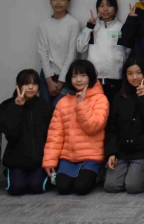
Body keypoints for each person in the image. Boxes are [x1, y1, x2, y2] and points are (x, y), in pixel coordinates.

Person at [42, 59, 109, 196]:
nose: (78, 80)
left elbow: (94, 126)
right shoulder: (62, 102)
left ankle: (99, 173)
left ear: (91, 77)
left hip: (91, 156)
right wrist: (50, 161)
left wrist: (82, 104)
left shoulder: (100, 99)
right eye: (74, 76)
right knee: (63, 188)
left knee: (81, 187)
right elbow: (55, 135)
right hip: (68, 157)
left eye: (83, 75)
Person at [103, 56, 144, 194]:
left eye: (138, 73)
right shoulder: (119, 97)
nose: (134, 77)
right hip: (122, 152)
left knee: (133, 186)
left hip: (143, 152)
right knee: (111, 186)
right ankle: (129, 172)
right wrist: (111, 153)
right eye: (130, 73)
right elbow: (112, 128)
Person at [0, 69, 52, 195]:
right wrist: (17, 108)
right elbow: (10, 132)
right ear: (18, 86)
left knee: (37, 187)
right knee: (16, 189)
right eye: (26, 84)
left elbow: (52, 137)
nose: (31, 87)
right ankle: (12, 173)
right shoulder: (7, 105)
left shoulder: (45, 107)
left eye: (34, 84)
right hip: (17, 161)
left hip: (39, 162)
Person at [76, 0, 126, 105]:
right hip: (94, 80)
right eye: (102, 6)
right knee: (95, 111)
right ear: (97, 8)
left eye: (109, 5)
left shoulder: (121, 27)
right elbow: (80, 48)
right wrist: (89, 28)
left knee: (113, 111)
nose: (105, 9)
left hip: (116, 80)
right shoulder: (91, 27)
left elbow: (128, 50)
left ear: (115, 8)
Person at [37, 0, 80, 106]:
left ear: (68, 2)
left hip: (66, 76)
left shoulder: (73, 23)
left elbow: (72, 54)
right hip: (47, 76)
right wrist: (49, 80)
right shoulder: (44, 25)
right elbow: (43, 53)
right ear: (50, 2)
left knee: (59, 110)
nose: (58, 2)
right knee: (44, 111)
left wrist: (61, 81)